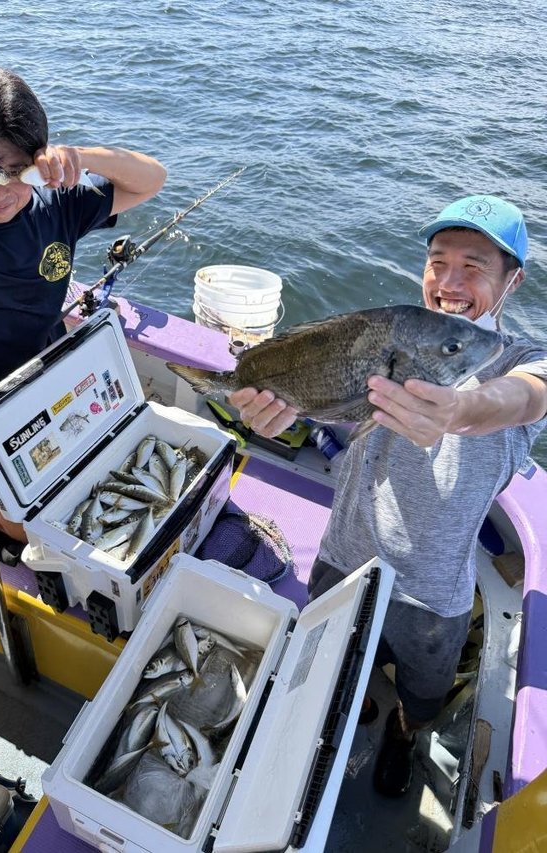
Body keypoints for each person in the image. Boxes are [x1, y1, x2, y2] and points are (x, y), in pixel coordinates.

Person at [229, 194, 547, 797]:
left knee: (422, 688)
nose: (449, 282)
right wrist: (273, 414)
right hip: (342, 551)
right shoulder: (392, 332)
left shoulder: (526, 361)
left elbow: (522, 398)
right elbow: (332, 399)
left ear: (514, 280)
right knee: (337, 658)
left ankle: (405, 732)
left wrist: (458, 407)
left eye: (474, 266)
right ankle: (350, 707)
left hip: (431, 590)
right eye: (437, 262)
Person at [0, 58, 166, 554]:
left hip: (47, 383)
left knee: (74, 490)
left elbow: (150, 179)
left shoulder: (58, 206)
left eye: (15, 171)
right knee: (20, 527)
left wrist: (83, 156)